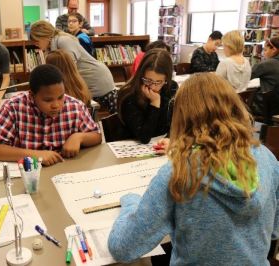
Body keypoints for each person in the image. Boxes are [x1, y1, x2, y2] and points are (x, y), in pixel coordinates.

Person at [108, 73, 279, 265]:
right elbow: (274, 230)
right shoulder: (266, 158)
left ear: (182, 117)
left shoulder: (177, 173)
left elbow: (122, 247)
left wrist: (131, 204)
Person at [0, 64, 102, 166]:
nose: (56, 105)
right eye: (48, 100)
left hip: (66, 171)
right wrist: (34, 155)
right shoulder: (13, 108)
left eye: (61, 97)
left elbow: (97, 136)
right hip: (28, 176)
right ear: (32, 96)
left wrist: (79, 137)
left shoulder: (75, 106)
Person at [30, 20, 117, 114]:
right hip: (88, 79)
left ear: (44, 36)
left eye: (36, 40)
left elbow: (68, 70)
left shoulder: (63, 41)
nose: (35, 44)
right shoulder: (54, 44)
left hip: (96, 80)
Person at [118, 49, 174, 144]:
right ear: (141, 75)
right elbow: (144, 137)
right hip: (133, 146)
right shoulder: (129, 95)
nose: (152, 86)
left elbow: (176, 123)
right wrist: (155, 104)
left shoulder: (170, 88)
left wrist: (168, 138)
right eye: (148, 80)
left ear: (166, 79)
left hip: (161, 144)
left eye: (158, 82)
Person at [250, 36, 279, 116]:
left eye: (265, 50)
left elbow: (246, 77)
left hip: (266, 107)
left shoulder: (266, 64)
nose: (263, 52)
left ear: (273, 50)